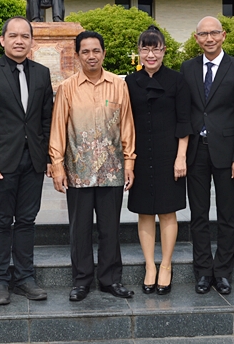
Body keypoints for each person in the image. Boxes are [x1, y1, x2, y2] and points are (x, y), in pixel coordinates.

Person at [49, 30, 136, 301]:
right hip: (79, 169)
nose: (91, 56)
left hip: (112, 169)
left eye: (95, 50)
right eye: (85, 51)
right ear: (77, 56)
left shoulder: (118, 85)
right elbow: (58, 129)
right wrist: (57, 166)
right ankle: (82, 280)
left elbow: (127, 126)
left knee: (110, 228)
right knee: (80, 228)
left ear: (104, 53)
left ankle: (111, 279)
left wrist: (130, 162)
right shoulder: (67, 88)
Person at [0, 16, 54, 305]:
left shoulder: (42, 74)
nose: (19, 40)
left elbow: (47, 119)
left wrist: (46, 156)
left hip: (33, 159)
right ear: (2, 40)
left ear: (32, 41)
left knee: (27, 220)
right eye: (14, 36)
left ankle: (24, 278)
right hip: (2, 161)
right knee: (1, 219)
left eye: (25, 36)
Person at [180, 16, 234, 296]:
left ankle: (222, 272)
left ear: (223, 35)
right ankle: (203, 272)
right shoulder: (187, 69)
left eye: (213, 33)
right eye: (203, 34)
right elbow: (185, 112)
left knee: (227, 215)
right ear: (196, 38)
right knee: (198, 215)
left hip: (226, 155)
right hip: (196, 152)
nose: (209, 38)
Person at [125, 26, 192, 295]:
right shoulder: (129, 82)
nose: (150, 54)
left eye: (156, 48)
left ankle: (165, 265)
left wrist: (181, 157)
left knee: (167, 211)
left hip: (169, 155)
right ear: (139, 52)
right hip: (140, 156)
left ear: (164, 50)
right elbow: (124, 122)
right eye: (145, 48)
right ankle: (149, 266)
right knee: (144, 212)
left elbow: (184, 121)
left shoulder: (177, 81)